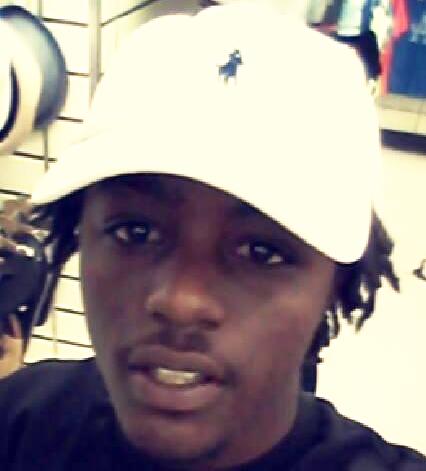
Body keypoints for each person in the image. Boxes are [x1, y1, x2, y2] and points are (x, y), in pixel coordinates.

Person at [0, 2, 425, 469]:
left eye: (262, 252)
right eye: (136, 231)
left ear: (336, 284)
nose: (181, 301)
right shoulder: (21, 421)